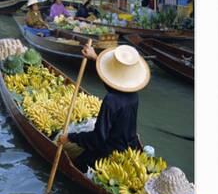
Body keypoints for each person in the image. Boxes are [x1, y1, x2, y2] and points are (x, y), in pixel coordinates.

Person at [57, 44, 151, 172]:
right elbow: (111, 81)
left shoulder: (111, 101)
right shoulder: (133, 95)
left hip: (109, 153)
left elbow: (97, 139)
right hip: (130, 146)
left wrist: (70, 137)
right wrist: (95, 57)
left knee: (78, 162)